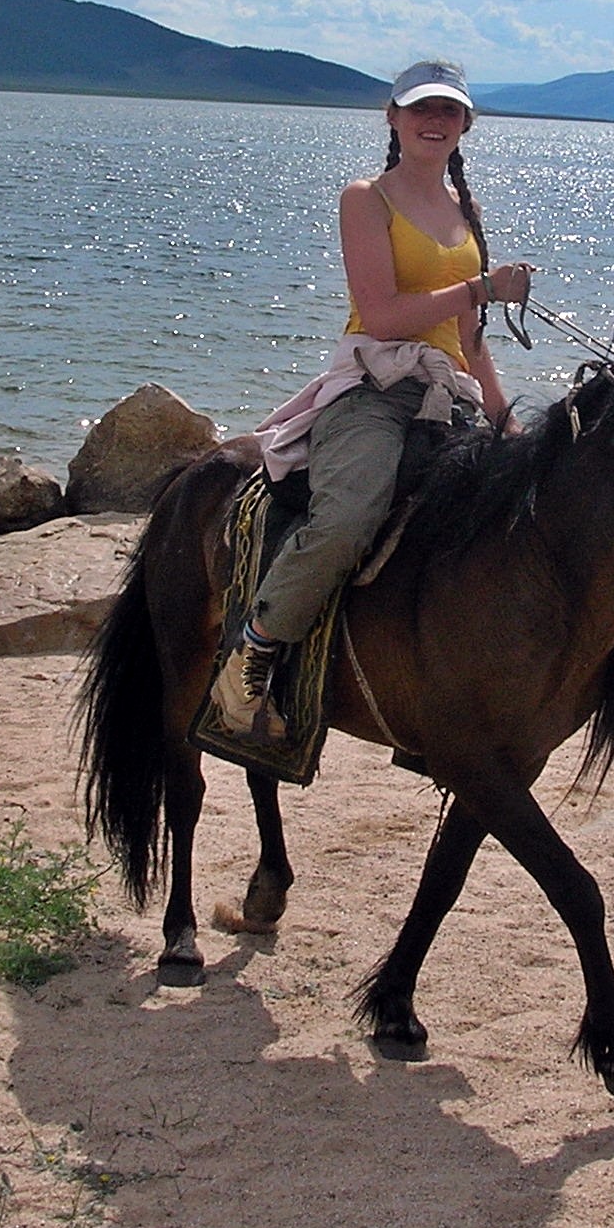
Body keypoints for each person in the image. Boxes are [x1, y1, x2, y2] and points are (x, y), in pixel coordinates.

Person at [212, 59, 535, 741]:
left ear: (465, 126)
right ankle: (251, 656)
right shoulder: (366, 197)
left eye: (449, 111)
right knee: (350, 514)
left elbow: (470, 339)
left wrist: (506, 420)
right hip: (375, 390)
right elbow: (383, 314)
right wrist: (482, 287)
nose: (434, 121)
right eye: (420, 108)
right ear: (392, 117)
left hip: (452, 396)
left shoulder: (465, 212)